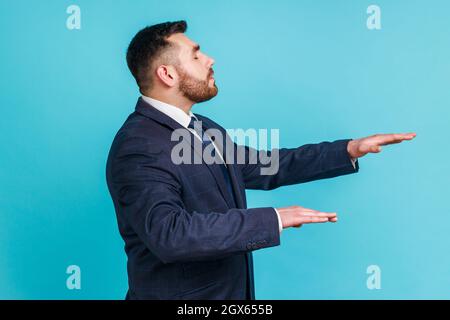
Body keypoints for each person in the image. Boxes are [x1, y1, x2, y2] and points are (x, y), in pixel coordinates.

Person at [106, 20, 416, 300]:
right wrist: (274, 219)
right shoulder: (138, 146)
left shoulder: (203, 127)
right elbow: (171, 234)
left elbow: (265, 165)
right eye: (197, 55)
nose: (210, 59)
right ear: (167, 74)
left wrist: (348, 149)